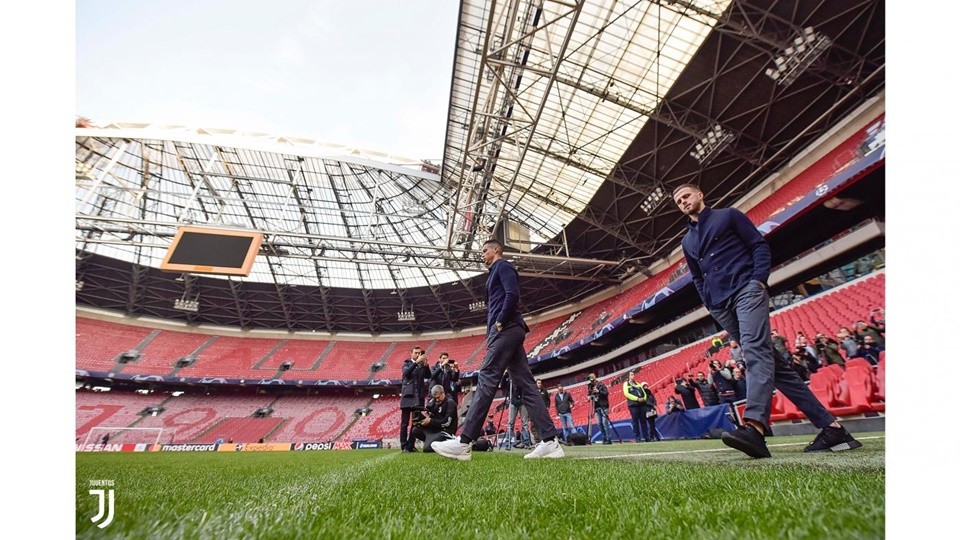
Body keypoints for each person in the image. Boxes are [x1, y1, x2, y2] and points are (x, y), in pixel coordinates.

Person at [673, 183, 861, 458]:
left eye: (686, 195)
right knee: (777, 368)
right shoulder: (687, 241)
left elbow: (758, 245)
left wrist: (759, 280)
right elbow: (697, 277)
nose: (683, 201)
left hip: (746, 290)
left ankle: (755, 427)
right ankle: (833, 429)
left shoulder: (729, 215)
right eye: (678, 201)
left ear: (700, 194)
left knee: (755, 352)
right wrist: (709, 302)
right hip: (720, 304)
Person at [433, 239, 563, 461]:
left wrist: (500, 322)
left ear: (496, 250)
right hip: (508, 331)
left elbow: (512, 294)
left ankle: (465, 441)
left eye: (484, 250)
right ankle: (550, 441)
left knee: (486, 377)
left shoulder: (503, 266)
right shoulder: (495, 271)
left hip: (506, 330)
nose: (482, 254)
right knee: (527, 385)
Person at [408, 385, 459, 452]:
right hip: (435, 430)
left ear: (442, 393)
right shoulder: (433, 403)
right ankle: (431, 440)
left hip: (445, 431)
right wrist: (424, 420)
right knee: (415, 430)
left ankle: (439, 443)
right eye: (435, 398)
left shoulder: (450, 403)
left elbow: (446, 423)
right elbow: (431, 416)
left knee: (427, 449)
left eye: (438, 397)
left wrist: (430, 421)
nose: (437, 400)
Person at [399, 345, 430, 452]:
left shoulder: (421, 365)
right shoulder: (407, 363)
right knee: (405, 423)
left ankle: (410, 445)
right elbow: (406, 374)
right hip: (408, 395)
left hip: (418, 397)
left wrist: (426, 365)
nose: (417, 355)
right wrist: (416, 363)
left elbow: (428, 376)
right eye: (415, 353)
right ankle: (404, 445)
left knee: (415, 423)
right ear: (411, 354)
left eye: (419, 353)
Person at [586, 373, 613, 444]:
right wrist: (588, 397)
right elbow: (589, 394)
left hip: (603, 405)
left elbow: (606, 393)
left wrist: (598, 391)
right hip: (596, 407)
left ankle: (608, 438)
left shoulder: (601, 384)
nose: (591, 381)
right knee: (599, 423)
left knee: (604, 422)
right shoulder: (590, 386)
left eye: (592, 378)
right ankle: (604, 438)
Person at [623, 371, 648, 442]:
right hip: (633, 405)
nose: (633, 376)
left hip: (642, 404)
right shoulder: (626, 384)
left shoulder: (638, 384)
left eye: (633, 374)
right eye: (631, 375)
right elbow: (626, 394)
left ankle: (646, 437)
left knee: (643, 421)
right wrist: (637, 399)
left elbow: (644, 393)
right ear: (628, 376)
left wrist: (644, 398)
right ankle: (638, 437)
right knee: (635, 421)